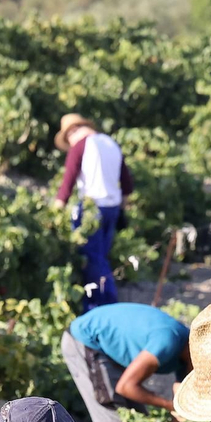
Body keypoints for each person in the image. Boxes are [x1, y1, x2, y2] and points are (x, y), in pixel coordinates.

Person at [60, 302, 191, 422]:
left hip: (109, 351)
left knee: (139, 420)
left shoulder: (188, 353)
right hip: (86, 342)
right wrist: (168, 405)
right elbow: (126, 387)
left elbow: (181, 405)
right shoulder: (168, 341)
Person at [52, 113, 132, 311]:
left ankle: (102, 307)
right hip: (111, 208)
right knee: (102, 256)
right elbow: (127, 184)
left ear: (72, 132)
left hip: (91, 207)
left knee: (92, 260)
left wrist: (57, 209)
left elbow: (68, 180)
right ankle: (104, 303)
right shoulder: (110, 143)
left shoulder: (81, 145)